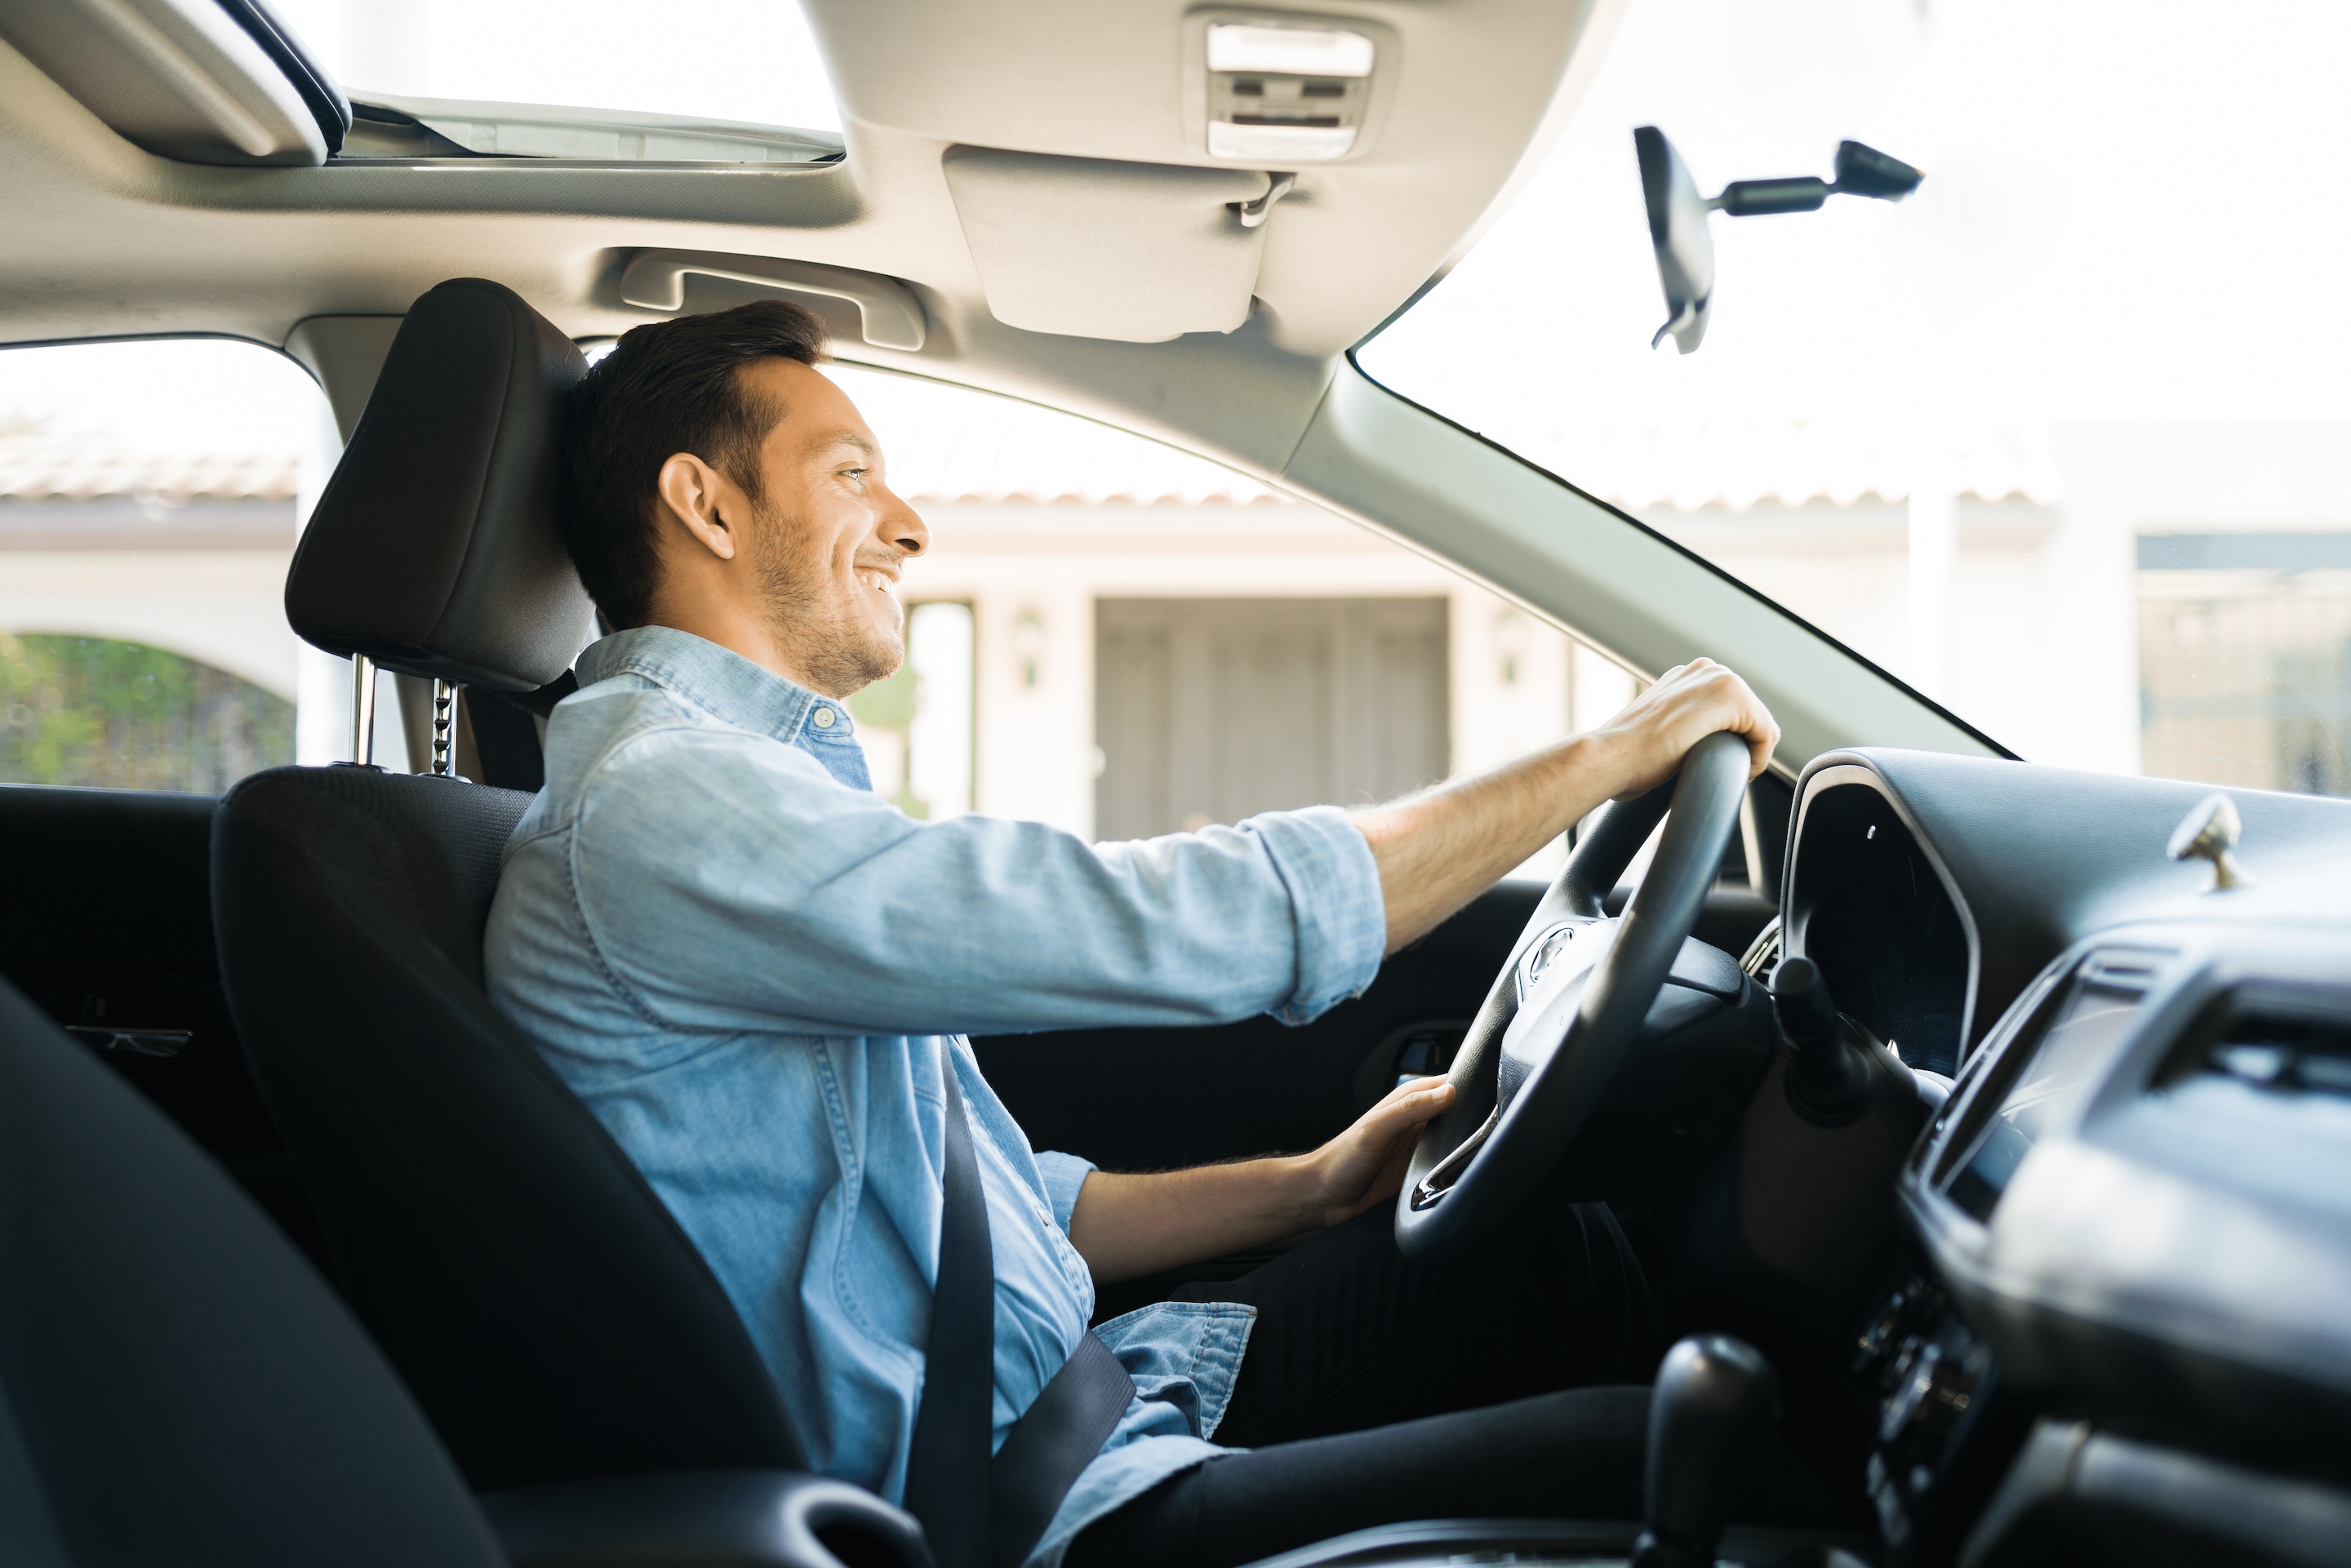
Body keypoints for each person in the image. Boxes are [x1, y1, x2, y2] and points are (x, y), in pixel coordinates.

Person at [484, 300, 1802, 1568]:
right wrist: (1605, 756)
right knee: (1666, 1451)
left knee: (1546, 1261)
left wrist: (1316, 1180)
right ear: (704, 504)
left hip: (1107, 1393)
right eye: (850, 474)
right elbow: (1163, 919)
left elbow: (1007, 1209)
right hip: (1026, 1511)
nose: (907, 521)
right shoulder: (661, 807)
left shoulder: (734, 792)